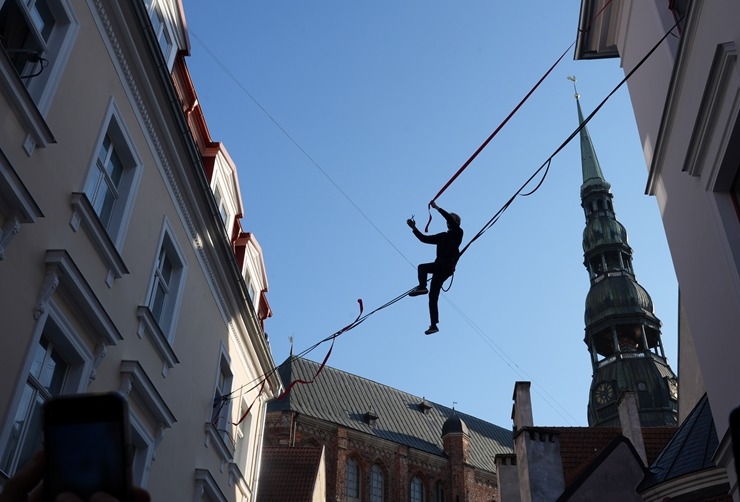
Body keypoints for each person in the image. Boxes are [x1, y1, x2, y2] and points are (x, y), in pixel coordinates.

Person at [406, 201, 463, 335]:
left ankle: (422, 286)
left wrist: (437, 208)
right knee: (432, 297)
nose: (449, 221)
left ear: (456, 222)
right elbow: (424, 239)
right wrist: (414, 228)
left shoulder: (458, 233)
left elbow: (449, 218)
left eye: (452, 219)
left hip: (445, 266)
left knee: (422, 268)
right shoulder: (442, 236)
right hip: (441, 269)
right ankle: (433, 325)